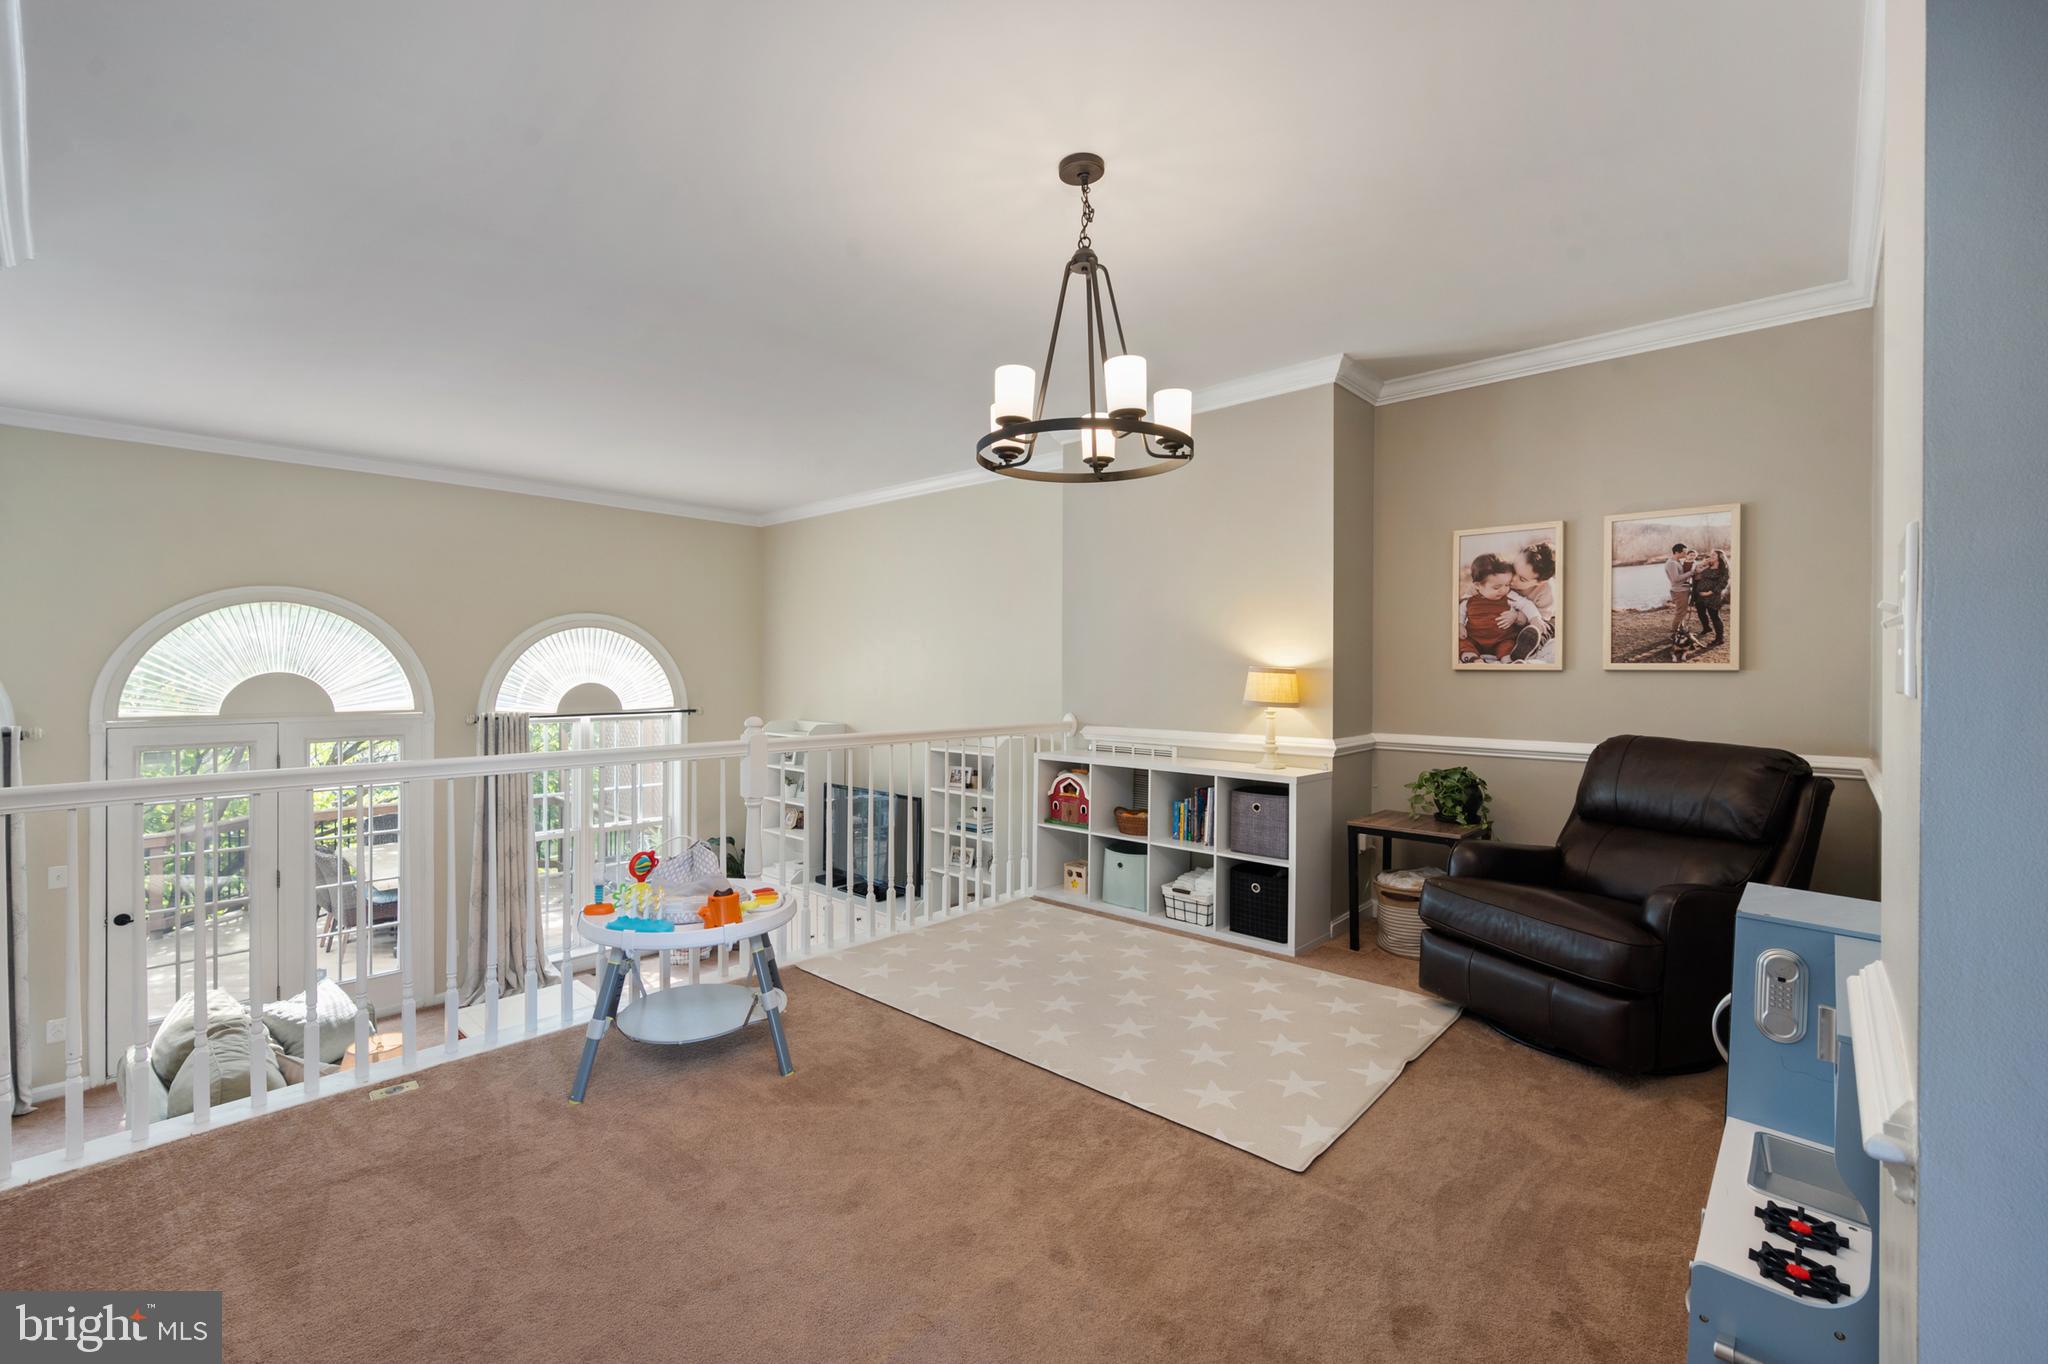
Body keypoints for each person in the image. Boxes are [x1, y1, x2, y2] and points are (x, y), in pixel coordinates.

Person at [1459, 554, 1545, 663]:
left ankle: (1509, 660)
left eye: (1507, 585)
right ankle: (1473, 658)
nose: (1503, 590)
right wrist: (1460, 624)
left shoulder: (1510, 596)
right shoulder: (1470, 599)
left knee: (1508, 645)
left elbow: (1526, 604)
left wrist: (1535, 618)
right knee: (1463, 643)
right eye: (1496, 587)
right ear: (1477, 585)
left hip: (1501, 639)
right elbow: (1460, 612)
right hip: (1474, 638)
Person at [1691, 548, 1730, 647]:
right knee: (1700, 612)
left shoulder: (1723, 569)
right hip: (1700, 596)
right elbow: (1697, 572)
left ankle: (1719, 638)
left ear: (1719, 558)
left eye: (1713, 555)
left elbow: (1723, 584)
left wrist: (1709, 593)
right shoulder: (1709, 565)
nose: (1711, 557)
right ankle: (1706, 628)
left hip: (1713, 596)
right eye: (1711, 555)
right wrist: (1704, 562)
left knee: (1714, 616)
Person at [1665, 542, 1697, 640]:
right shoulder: (1671, 563)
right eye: (1684, 552)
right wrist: (1691, 573)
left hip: (1683, 589)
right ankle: (1674, 633)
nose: (1686, 554)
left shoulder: (1678, 562)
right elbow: (1675, 579)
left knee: (1683, 612)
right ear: (1677, 552)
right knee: (1680, 612)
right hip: (1679, 591)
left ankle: (1680, 630)